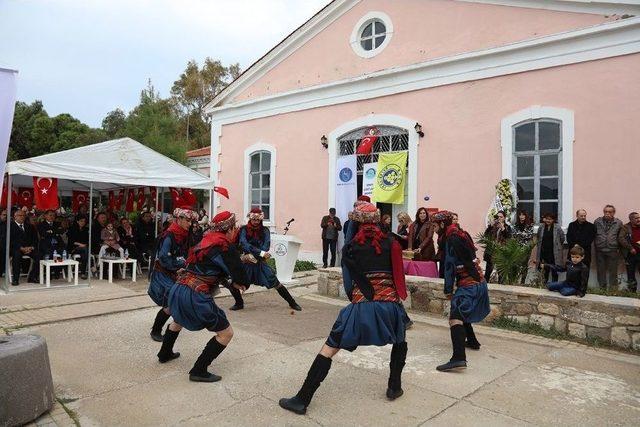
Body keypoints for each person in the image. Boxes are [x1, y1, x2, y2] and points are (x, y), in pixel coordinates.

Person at [279, 202, 409, 415]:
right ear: (377, 220)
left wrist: (359, 302)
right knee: (400, 340)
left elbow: (349, 285)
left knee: (329, 348)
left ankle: (302, 399)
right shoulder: (392, 243)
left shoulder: (350, 248)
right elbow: (398, 276)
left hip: (362, 306)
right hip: (390, 305)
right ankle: (394, 387)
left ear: (355, 222)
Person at [161, 211, 250, 382]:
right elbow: (242, 280)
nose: (236, 231)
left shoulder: (204, 241)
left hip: (179, 288)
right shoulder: (225, 247)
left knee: (178, 320)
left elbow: (211, 267)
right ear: (229, 229)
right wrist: (243, 263)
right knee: (226, 333)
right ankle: (199, 370)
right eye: (235, 227)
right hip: (195, 294)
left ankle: (164, 354)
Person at [431, 211, 489, 372]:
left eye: (435, 226)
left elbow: (449, 267)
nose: (434, 230)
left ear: (443, 224)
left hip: (469, 285)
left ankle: (458, 358)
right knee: (462, 312)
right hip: (478, 281)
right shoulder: (461, 234)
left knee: (455, 318)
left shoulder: (450, 239)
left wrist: (448, 290)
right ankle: (472, 341)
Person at [232, 207, 301, 311]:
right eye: (253, 219)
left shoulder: (265, 231)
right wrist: (260, 253)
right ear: (250, 218)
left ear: (261, 220)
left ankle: (292, 302)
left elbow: (266, 246)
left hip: (259, 262)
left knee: (276, 282)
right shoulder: (244, 229)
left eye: (258, 220)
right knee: (235, 282)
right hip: (247, 262)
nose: (255, 222)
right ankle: (239, 303)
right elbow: (244, 244)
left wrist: (256, 254)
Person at [148, 207, 198, 342]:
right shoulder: (169, 235)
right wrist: (178, 266)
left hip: (176, 272)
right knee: (171, 303)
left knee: (174, 302)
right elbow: (164, 258)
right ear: (179, 219)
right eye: (187, 220)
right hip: (164, 273)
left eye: (191, 221)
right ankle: (156, 330)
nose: (190, 224)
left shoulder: (185, 234)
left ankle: (171, 327)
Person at [594, 205, 623, 289]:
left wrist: (619, 249)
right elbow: (594, 234)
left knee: (613, 270)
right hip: (600, 249)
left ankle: (613, 289)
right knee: (600, 270)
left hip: (613, 249)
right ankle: (602, 288)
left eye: (610, 212)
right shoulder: (597, 221)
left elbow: (620, 237)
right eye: (605, 211)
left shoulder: (618, 223)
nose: (607, 213)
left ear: (614, 213)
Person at [9, 209, 40, 286]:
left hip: (29, 248)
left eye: (23, 215)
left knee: (38, 255)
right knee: (17, 256)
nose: (22, 217)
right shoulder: (9, 227)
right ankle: (15, 279)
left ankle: (32, 277)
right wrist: (20, 248)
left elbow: (35, 239)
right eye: (20, 215)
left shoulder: (30, 226)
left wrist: (31, 247)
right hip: (16, 248)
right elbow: (9, 240)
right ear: (15, 217)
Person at [535, 213, 565, 283]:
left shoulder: (557, 227)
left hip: (554, 253)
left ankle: (554, 285)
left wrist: (558, 246)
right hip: (544, 252)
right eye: (547, 219)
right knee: (545, 269)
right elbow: (538, 237)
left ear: (553, 220)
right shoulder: (541, 227)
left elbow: (562, 238)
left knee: (554, 269)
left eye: (550, 219)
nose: (548, 220)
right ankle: (544, 284)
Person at [482, 210, 512, 282]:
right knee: (488, 271)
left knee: (501, 273)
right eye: (498, 217)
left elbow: (508, 237)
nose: (499, 218)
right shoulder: (492, 226)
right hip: (491, 251)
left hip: (501, 252)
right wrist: (490, 227)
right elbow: (485, 236)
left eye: (501, 217)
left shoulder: (507, 227)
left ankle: (501, 287)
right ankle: (485, 287)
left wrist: (503, 228)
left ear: (504, 218)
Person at [618, 212, 640, 293]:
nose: (639, 219)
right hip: (630, 255)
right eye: (636, 218)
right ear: (631, 219)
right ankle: (632, 292)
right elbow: (621, 238)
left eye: (639, 217)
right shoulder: (625, 227)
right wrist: (630, 248)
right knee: (631, 275)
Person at [67, 215, 89, 280]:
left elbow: (87, 240)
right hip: (74, 247)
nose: (83, 222)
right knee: (84, 250)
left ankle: (83, 273)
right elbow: (71, 241)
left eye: (84, 221)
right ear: (77, 221)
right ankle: (88, 268)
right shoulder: (72, 229)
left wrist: (84, 245)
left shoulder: (85, 229)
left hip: (83, 248)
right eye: (81, 221)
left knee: (84, 252)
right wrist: (80, 244)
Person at [0, 209, 7, 277]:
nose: (5, 216)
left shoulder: (8, 224)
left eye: (6, 215)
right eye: (4, 215)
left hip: (5, 245)